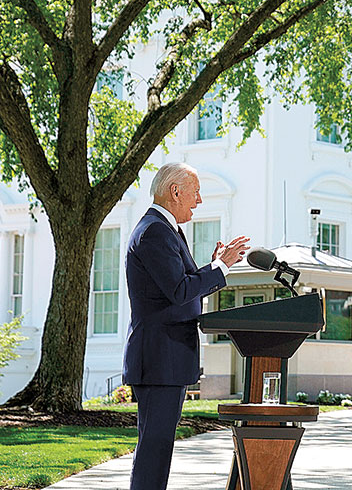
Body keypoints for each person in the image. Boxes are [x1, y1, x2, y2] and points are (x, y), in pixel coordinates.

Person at [122, 162, 250, 490]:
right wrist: (221, 266)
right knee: (154, 450)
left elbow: (182, 283)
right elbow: (180, 291)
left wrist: (215, 265)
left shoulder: (167, 230)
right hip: (158, 361)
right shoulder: (154, 231)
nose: (200, 201)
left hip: (167, 361)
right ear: (175, 192)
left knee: (158, 449)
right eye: (195, 192)